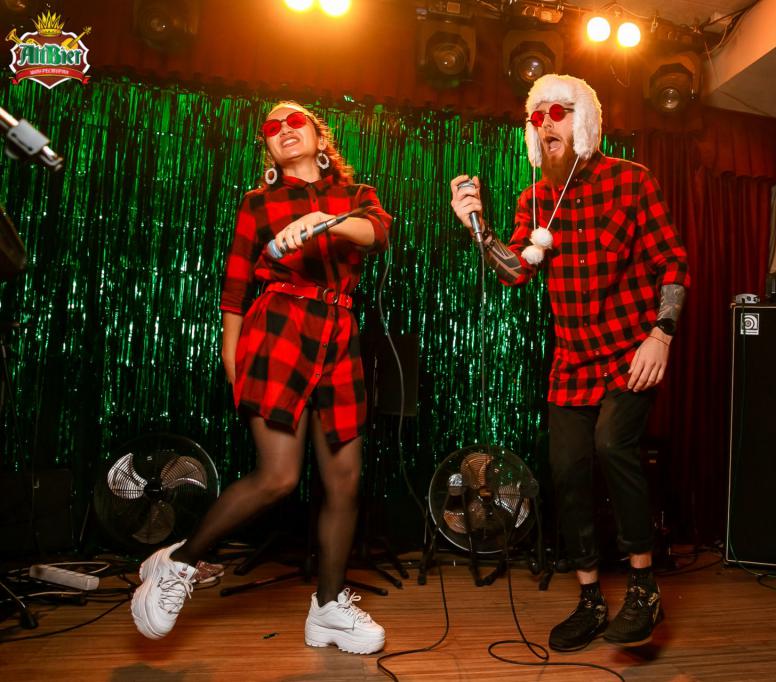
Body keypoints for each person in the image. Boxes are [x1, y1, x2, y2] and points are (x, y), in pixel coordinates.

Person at [131, 101, 391, 655]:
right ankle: (179, 564)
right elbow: (235, 286)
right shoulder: (257, 202)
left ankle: (328, 609)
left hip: (339, 335)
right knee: (278, 477)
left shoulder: (356, 195)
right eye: (272, 128)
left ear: (321, 136)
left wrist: (322, 221)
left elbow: (376, 233)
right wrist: (232, 355)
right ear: (268, 148)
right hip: (279, 330)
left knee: (345, 481)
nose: (284, 130)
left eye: (295, 121)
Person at [449, 74, 689, 651]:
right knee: (567, 469)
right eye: (537, 117)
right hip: (572, 361)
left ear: (584, 122)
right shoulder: (532, 199)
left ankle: (643, 589)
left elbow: (673, 262)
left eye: (558, 112)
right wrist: (477, 227)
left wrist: (661, 334)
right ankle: (589, 597)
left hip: (631, 353)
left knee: (612, 445)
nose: (545, 123)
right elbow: (515, 271)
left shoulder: (632, 180)